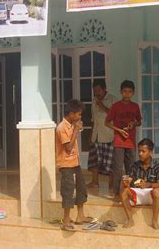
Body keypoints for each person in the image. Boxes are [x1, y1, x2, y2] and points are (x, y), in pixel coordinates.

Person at [55, 99, 94, 231]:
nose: (80, 117)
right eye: (78, 114)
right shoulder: (61, 128)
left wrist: (76, 128)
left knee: (81, 188)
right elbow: (68, 147)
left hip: (75, 163)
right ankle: (66, 221)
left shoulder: (72, 124)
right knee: (68, 191)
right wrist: (77, 130)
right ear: (71, 114)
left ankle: (80, 216)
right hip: (66, 165)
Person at [105, 80, 142, 201]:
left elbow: (139, 121)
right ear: (121, 92)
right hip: (119, 141)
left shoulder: (135, 106)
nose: (127, 94)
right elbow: (107, 123)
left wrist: (133, 123)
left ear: (133, 93)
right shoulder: (115, 106)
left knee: (131, 167)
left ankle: (131, 191)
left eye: (129, 92)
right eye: (125, 91)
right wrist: (119, 131)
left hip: (130, 141)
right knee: (117, 167)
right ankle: (116, 193)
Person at [120, 138, 159, 230]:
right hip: (138, 195)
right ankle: (130, 220)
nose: (140, 154)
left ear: (151, 152)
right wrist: (126, 182)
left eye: (143, 151)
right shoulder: (134, 165)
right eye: (139, 151)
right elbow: (130, 179)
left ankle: (154, 221)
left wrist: (148, 185)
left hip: (151, 195)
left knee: (157, 191)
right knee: (123, 191)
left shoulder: (158, 166)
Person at [87, 79, 117, 189]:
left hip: (109, 135)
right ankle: (95, 182)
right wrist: (90, 135)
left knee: (110, 161)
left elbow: (115, 117)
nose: (97, 93)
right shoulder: (94, 101)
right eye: (95, 90)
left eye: (99, 90)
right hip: (96, 134)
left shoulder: (113, 100)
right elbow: (93, 119)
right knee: (94, 160)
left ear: (105, 89)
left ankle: (112, 183)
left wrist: (102, 106)